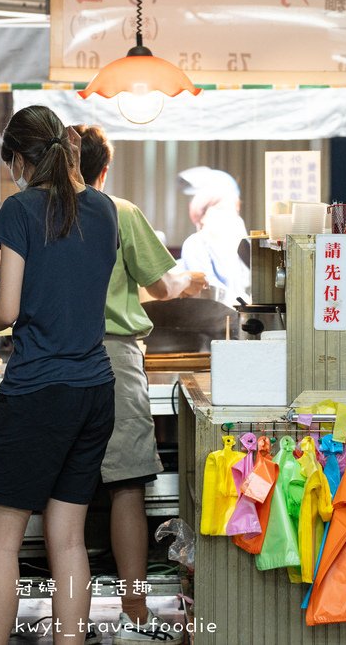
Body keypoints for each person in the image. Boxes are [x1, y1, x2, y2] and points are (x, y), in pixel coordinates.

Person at [0, 106, 118, 645]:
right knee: (69, 539)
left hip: (39, 389)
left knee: (1, 542)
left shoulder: (21, 209)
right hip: (96, 389)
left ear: (17, 159)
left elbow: (5, 310)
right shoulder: (104, 210)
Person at [75, 123, 206, 643]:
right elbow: (162, 282)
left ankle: (71, 619)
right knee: (125, 483)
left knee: (66, 492)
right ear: (103, 169)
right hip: (112, 358)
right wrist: (182, 275)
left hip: (49, 359)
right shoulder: (119, 212)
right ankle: (134, 610)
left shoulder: (40, 213)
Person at [176, 166, 249, 305]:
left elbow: (248, 283)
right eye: (220, 208)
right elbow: (208, 288)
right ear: (202, 214)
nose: (229, 215)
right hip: (208, 318)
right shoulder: (195, 244)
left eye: (234, 210)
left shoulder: (238, 246)